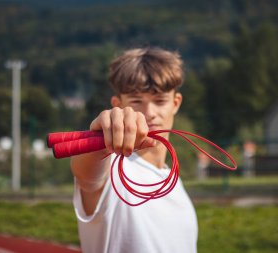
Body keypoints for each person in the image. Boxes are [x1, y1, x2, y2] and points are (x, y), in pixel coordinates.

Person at [70, 47, 198, 253]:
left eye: (160, 101)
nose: (149, 113)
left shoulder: (174, 182)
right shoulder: (111, 169)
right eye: (137, 101)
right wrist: (100, 140)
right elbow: (87, 176)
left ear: (176, 103)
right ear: (117, 105)